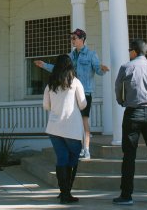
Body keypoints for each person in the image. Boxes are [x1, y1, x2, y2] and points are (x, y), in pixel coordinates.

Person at [34, 28, 108, 159]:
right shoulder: (70, 56)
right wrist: (44, 65)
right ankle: (78, 147)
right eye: (71, 38)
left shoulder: (91, 55)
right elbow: (59, 69)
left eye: (75, 38)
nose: (72, 40)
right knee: (75, 120)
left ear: (82, 39)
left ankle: (86, 150)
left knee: (84, 121)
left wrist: (102, 69)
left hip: (85, 92)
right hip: (71, 93)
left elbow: (98, 70)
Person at [113, 39, 147, 205]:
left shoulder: (126, 67)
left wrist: (123, 102)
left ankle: (126, 195)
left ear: (134, 51)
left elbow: (118, 89)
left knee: (129, 155)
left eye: (130, 50)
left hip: (133, 114)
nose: (129, 53)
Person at [43, 54, 87, 204]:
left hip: (54, 127)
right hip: (72, 128)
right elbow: (83, 104)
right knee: (73, 159)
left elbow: (46, 106)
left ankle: (63, 192)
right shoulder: (75, 82)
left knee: (62, 158)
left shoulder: (50, 83)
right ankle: (67, 192)